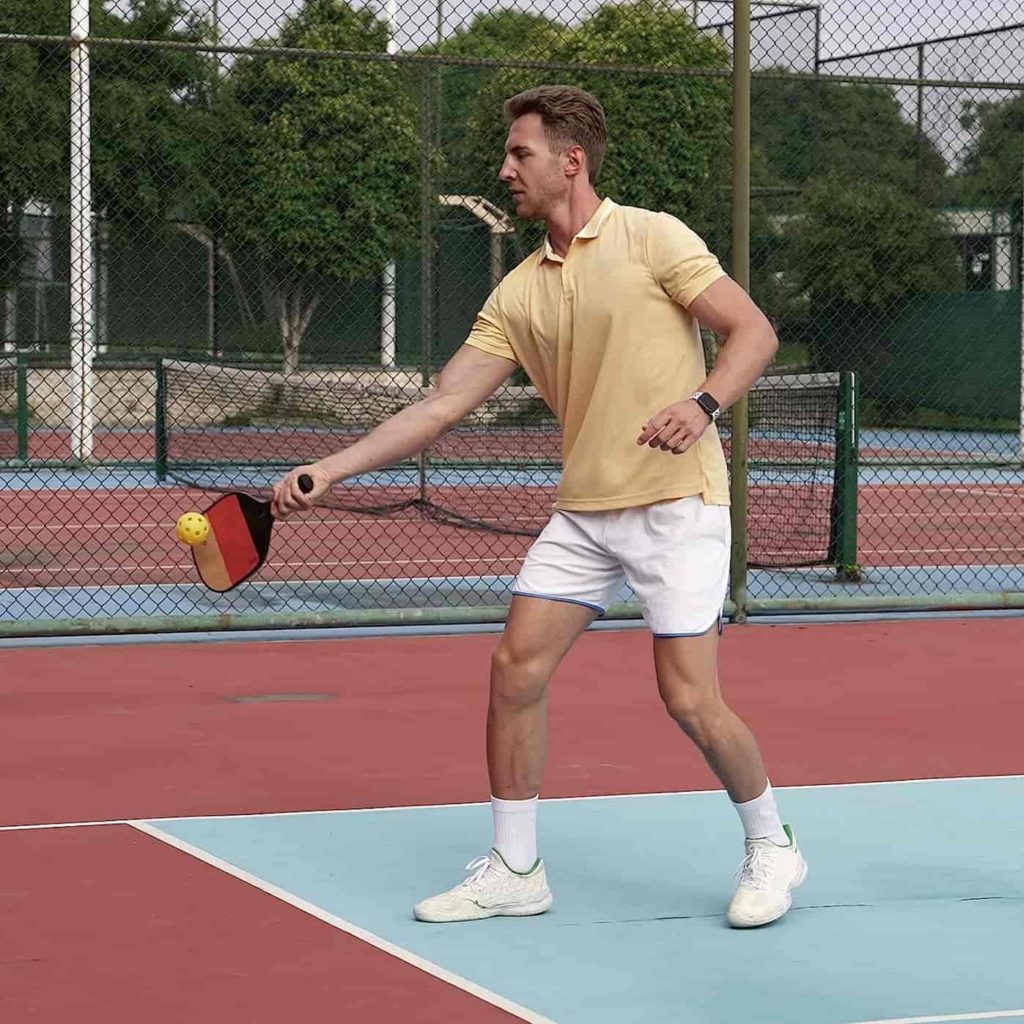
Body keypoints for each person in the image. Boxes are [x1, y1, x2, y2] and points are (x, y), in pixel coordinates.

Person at [272, 85, 806, 929]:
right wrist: (331, 468)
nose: (504, 169)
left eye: (519, 155)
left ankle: (772, 844)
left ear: (571, 161)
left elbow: (753, 332)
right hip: (586, 513)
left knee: (690, 701)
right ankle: (517, 867)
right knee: (514, 670)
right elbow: (441, 404)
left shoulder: (652, 237)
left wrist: (701, 404)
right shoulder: (519, 291)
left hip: (677, 503)